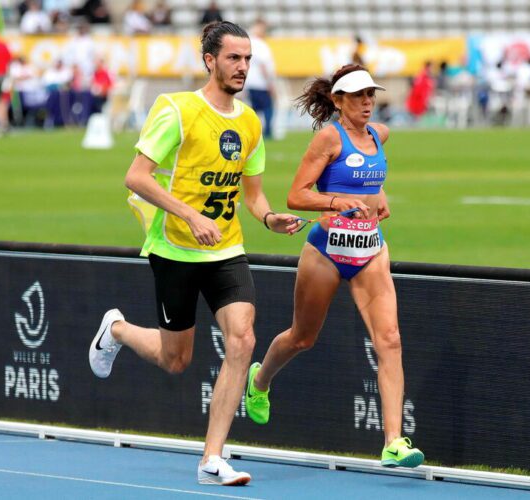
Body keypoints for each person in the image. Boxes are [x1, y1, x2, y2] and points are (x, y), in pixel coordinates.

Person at [88, 21, 299, 486]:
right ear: (210, 60)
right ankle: (117, 329)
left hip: (226, 249)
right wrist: (190, 216)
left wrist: (269, 218)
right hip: (175, 249)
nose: (243, 67)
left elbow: (254, 195)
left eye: (247, 59)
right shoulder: (177, 110)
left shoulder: (249, 121)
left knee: (242, 339)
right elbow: (137, 176)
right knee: (176, 359)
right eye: (233, 58)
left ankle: (212, 459)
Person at [244, 64, 425, 469]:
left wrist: (379, 197)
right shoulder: (330, 137)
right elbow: (296, 195)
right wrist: (335, 202)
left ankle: (393, 441)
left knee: (390, 340)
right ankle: (259, 380)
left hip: (371, 250)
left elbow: (368, 176)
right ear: (338, 101)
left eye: (371, 95)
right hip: (326, 250)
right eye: (358, 96)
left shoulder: (380, 134)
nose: (367, 102)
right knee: (301, 338)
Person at [245, 17, 276, 139]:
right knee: (268, 107)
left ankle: (253, 132)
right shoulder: (260, 44)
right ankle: (267, 132)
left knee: (254, 108)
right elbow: (264, 66)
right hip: (260, 83)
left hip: (251, 82)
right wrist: (270, 83)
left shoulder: (250, 42)